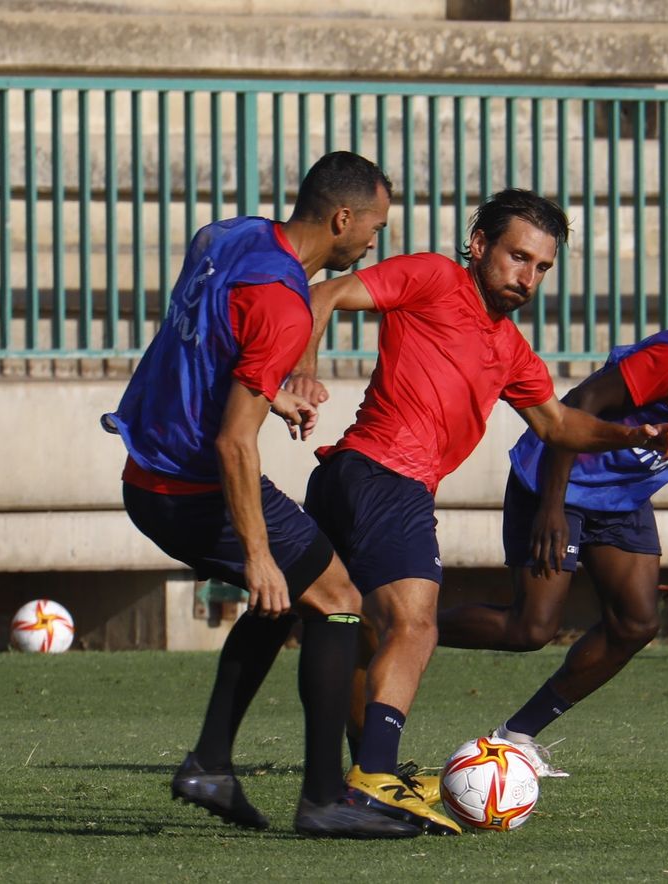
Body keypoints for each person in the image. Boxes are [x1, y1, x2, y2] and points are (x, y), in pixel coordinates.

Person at [286, 189, 668, 835]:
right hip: (386, 475)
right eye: (517, 257)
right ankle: (373, 781)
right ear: (479, 247)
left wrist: (630, 435)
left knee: (358, 631)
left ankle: (348, 782)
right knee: (415, 628)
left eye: (542, 267)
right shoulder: (433, 277)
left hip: (350, 477)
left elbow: (556, 423)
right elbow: (322, 294)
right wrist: (302, 371)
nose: (527, 277)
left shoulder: (511, 349)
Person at [101, 151, 418, 838]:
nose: (374, 242)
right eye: (375, 227)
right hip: (191, 484)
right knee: (336, 599)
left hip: (147, 473)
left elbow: (205, 343)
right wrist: (257, 554)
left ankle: (212, 764)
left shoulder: (227, 235)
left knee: (289, 600)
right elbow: (232, 445)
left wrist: (268, 393)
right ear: (341, 219)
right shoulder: (282, 303)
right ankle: (325, 799)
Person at [431, 261, 668, 776]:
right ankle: (407, 630)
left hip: (622, 499)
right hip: (557, 480)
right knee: (531, 628)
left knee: (636, 623)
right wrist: (551, 505)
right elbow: (578, 404)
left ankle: (516, 738)